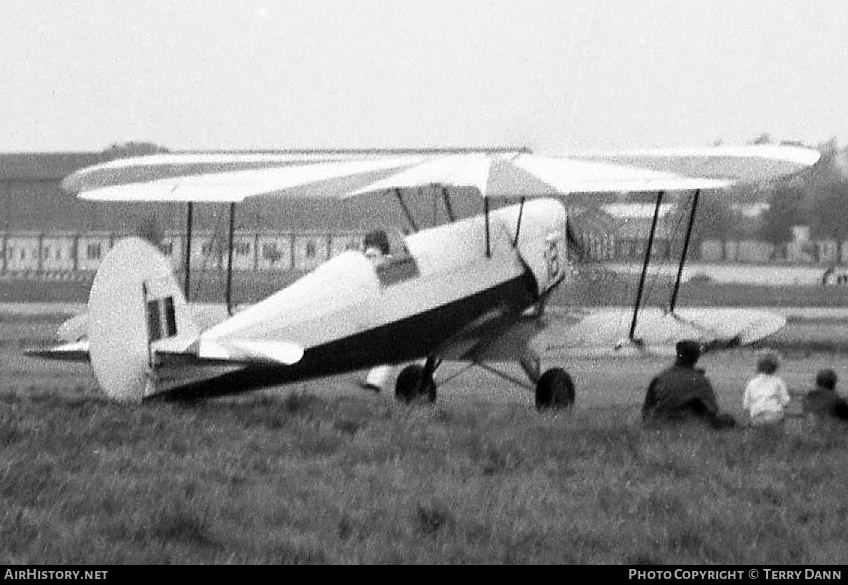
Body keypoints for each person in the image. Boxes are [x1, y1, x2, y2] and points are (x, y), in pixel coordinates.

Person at [642, 340, 736, 429]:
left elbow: (646, 409)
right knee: (728, 419)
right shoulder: (700, 380)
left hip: (660, 421)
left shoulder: (660, 378)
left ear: (678, 355)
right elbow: (712, 411)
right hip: (690, 423)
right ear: (696, 358)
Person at [362, 229, 394, 392]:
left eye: (372, 256)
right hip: (376, 313)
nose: (368, 259)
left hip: (388, 314)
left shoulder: (388, 266)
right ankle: (373, 383)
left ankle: (374, 383)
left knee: (389, 348)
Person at [742, 353, 790, 425]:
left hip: (757, 416)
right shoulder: (778, 382)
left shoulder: (752, 383)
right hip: (774, 414)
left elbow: (746, 404)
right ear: (774, 368)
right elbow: (785, 402)